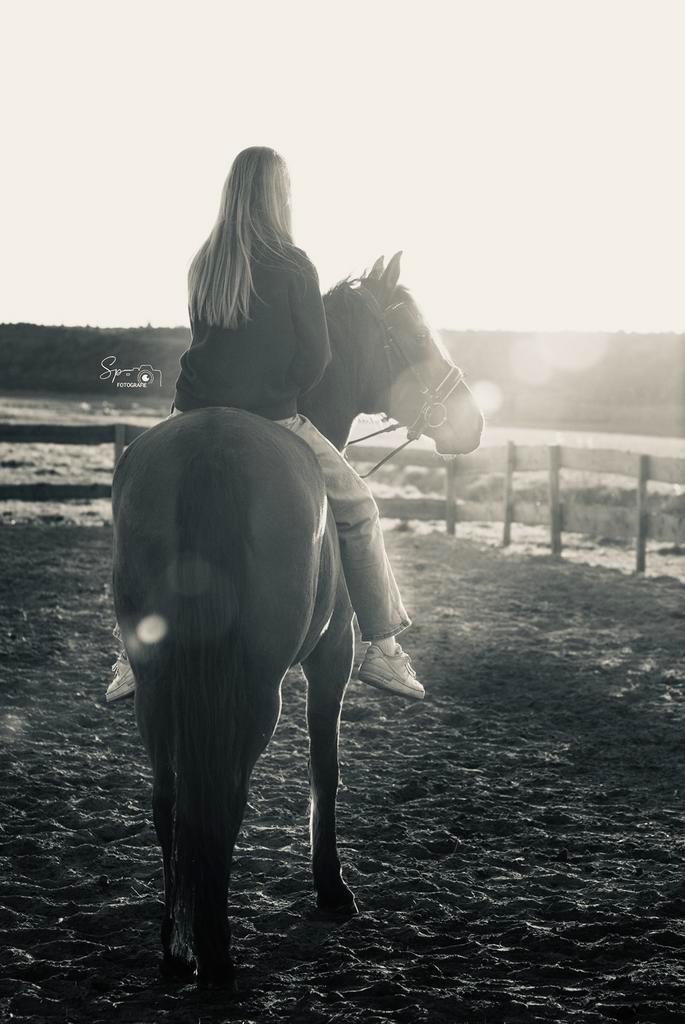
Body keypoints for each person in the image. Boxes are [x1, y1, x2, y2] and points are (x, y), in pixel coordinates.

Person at [107, 146, 424, 703]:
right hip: (273, 415)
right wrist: (283, 389)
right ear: (279, 196)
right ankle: (384, 647)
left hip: (191, 409)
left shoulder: (205, 263)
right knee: (358, 509)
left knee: (135, 504)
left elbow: (204, 337)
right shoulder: (295, 264)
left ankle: (128, 653)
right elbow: (317, 358)